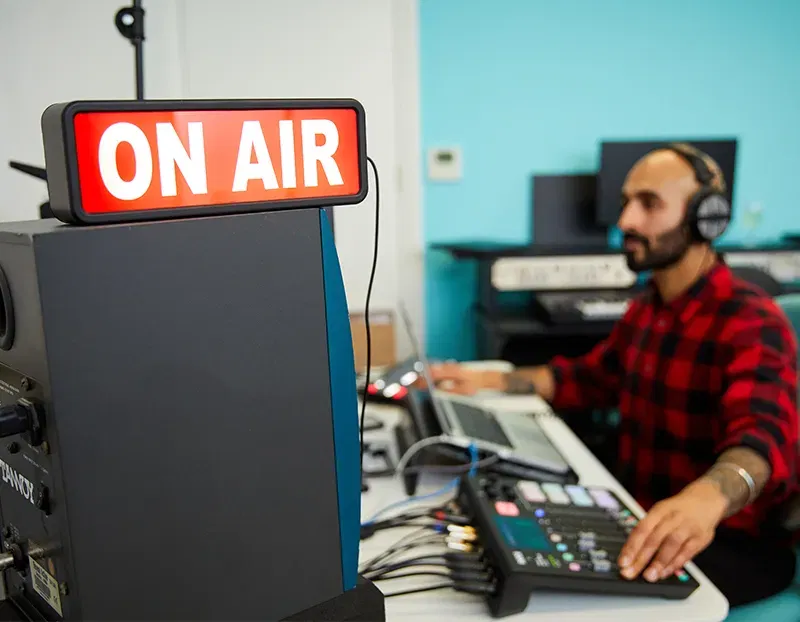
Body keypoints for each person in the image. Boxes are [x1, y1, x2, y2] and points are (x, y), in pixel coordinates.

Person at [431, 144, 799, 608]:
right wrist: (492, 380)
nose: (625, 221)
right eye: (626, 203)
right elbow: (588, 379)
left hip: (726, 541)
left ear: (706, 218)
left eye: (649, 204)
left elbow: (764, 439)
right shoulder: (647, 309)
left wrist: (707, 497)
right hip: (638, 512)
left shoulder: (752, 320)